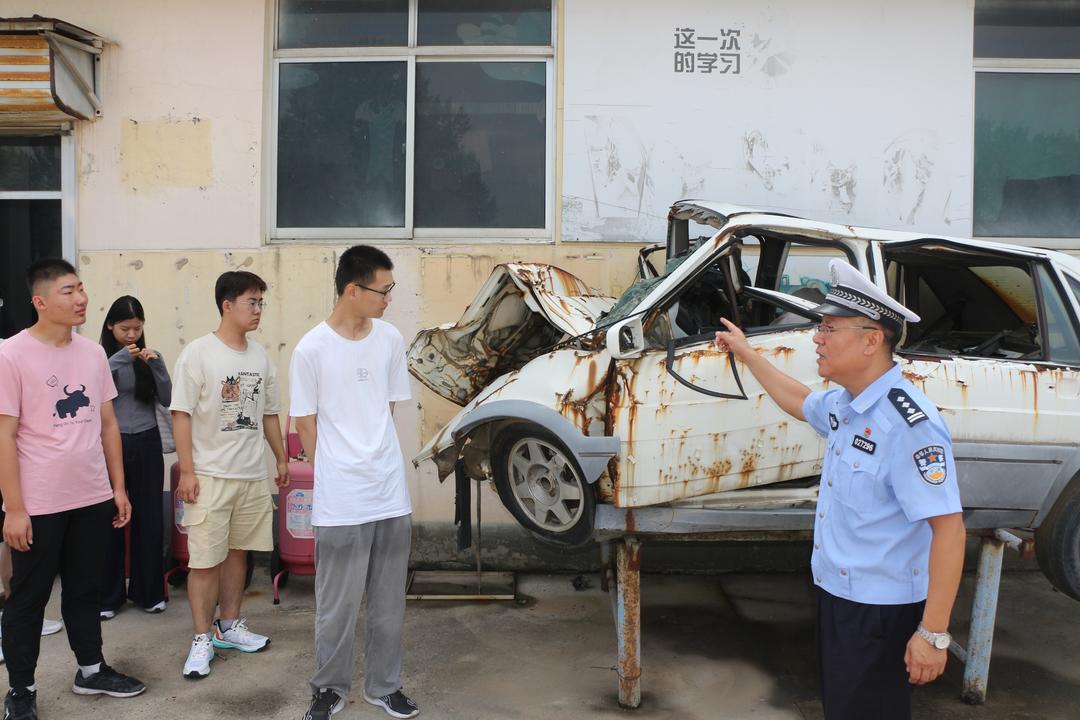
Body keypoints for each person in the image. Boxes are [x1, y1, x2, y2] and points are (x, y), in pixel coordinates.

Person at [714, 259, 966, 720]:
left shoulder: (909, 425)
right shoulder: (848, 403)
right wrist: (747, 354)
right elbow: (800, 400)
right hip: (839, 596)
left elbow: (949, 529)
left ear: (872, 340)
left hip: (880, 610)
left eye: (829, 328)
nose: (817, 338)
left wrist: (933, 634)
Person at [0, 259, 147, 720]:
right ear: (40, 302)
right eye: (68, 291)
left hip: (91, 496)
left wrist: (117, 488)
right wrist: (14, 508)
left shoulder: (92, 354)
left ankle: (91, 669)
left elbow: (107, 424)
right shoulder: (11, 354)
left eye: (81, 288)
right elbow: (4, 435)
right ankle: (21, 689)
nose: (81, 298)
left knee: (85, 589)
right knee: (29, 598)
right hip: (39, 503)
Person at [290, 246, 418, 720]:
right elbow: (305, 424)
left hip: (389, 492)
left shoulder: (389, 339)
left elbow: (386, 408)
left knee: (388, 602)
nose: (388, 298)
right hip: (341, 499)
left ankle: (385, 686)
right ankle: (328, 688)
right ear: (352, 290)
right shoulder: (311, 349)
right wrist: (339, 469)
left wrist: (372, 457)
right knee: (336, 605)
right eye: (383, 290)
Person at [170, 270, 289, 680]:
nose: (258, 310)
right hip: (210, 476)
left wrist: (281, 458)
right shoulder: (198, 353)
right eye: (251, 302)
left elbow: (269, 413)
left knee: (240, 552)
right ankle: (201, 637)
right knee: (205, 561)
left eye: (261, 303)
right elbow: (181, 414)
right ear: (227, 305)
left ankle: (229, 625)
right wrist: (187, 471)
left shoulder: (260, 356)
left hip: (251, 476)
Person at [98, 296, 172, 618]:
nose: (131, 335)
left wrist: (156, 367)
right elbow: (91, 389)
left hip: (146, 439)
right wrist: (117, 360)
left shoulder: (149, 357)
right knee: (109, 517)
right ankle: (108, 597)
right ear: (110, 326)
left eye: (137, 329)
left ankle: (149, 592)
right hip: (109, 444)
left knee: (149, 517)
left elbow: (167, 397)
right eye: (125, 328)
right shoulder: (99, 358)